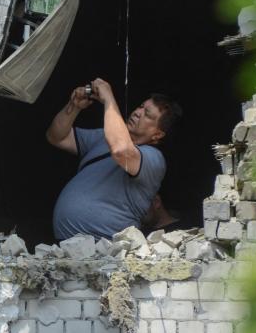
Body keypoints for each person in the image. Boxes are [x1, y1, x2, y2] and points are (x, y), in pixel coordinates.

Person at [46, 78, 181, 241]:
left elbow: (121, 150)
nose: (138, 112)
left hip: (108, 250)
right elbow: (56, 137)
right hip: (69, 248)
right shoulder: (103, 138)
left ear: (158, 134)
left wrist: (108, 98)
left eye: (147, 114)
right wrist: (73, 106)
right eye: (141, 107)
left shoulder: (153, 158)